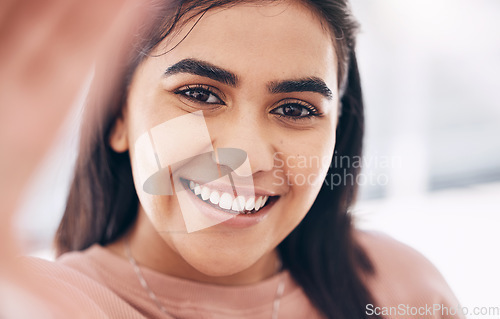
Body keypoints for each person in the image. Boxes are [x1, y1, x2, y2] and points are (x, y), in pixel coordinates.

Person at [10, 0, 462, 318]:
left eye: (295, 109)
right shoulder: (44, 303)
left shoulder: (402, 289)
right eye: (199, 94)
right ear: (118, 116)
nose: (245, 157)